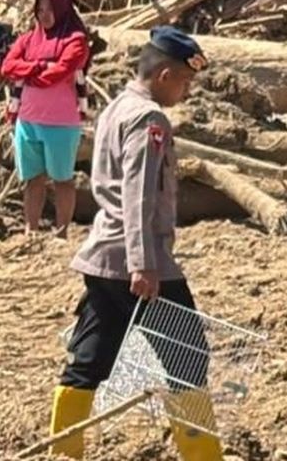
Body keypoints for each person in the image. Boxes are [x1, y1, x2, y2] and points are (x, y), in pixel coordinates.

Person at [47, 26, 223, 461]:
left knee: (89, 358)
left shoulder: (116, 107)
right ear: (165, 75)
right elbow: (139, 193)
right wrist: (143, 265)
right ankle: (205, 457)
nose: (186, 90)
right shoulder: (150, 119)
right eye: (185, 81)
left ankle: (63, 453)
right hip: (139, 262)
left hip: (102, 257)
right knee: (188, 357)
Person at [2, 0, 92, 237]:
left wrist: (29, 71)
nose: (44, 15)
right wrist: (40, 66)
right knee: (33, 179)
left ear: (62, 9)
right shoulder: (29, 39)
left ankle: (61, 233)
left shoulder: (75, 40)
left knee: (62, 180)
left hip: (61, 124)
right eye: (39, 10)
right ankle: (31, 230)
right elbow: (9, 66)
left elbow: (62, 70)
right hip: (27, 121)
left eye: (50, 9)